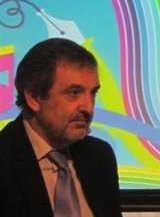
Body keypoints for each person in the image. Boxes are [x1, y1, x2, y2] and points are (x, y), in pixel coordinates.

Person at [0, 38, 122, 216]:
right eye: (74, 93)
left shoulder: (99, 156)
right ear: (34, 98)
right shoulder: (5, 160)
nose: (88, 107)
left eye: (93, 93)